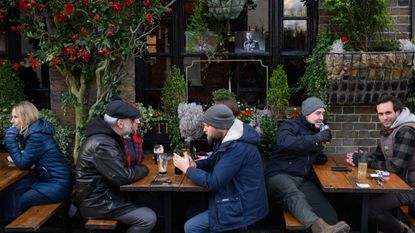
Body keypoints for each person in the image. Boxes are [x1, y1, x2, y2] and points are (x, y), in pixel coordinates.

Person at [173, 104, 269, 233]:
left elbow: (214, 182)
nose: (204, 129)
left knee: (191, 227)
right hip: (234, 197)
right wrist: (196, 165)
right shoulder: (228, 139)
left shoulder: (237, 148)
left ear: (219, 126)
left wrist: (188, 170)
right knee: (191, 211)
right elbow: (215, 161)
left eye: (207, 125)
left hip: (243, 207)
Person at [266, 97, 350, 233]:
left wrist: (320, 151)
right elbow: (285, 142)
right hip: (279, 175)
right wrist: (316, 139)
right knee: (295, 196)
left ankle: (330, 227)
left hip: (302, 179)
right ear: (306, 113)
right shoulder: (289, 126)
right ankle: (320, 229)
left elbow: (308, 153)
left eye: (323, 113)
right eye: (318, 113)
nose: (321, 117)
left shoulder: (315, 131)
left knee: (328, 213)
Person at [75, 98, 156, 233]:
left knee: (147, 202)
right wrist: (145, 168)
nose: (136, 123)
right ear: (120, 123)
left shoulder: (108, 137)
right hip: (98, 202)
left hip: (105, 196)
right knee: (148, 218)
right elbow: (122, 176)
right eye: (132, 120)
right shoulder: (102, 143)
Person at [345, 95, 415, 233]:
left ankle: (403, 231)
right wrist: (358, 157)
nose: (384, 117)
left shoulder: (407, 131)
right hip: (399, 184)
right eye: (381, 114)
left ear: (398, 112)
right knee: (360, 199)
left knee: (371, 209)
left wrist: (363, 161)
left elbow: (394, 166)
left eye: (388, 113)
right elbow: (378, 155)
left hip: (411, 188)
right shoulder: (391, 129)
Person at [0, 101, 72, 222]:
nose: (12, 121)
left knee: (19, 201)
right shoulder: (35, 130)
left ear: (26, 117)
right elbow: (28, 158)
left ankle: (10, 225)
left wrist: (10, 140)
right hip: (46, 179)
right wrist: (20, 136)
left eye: (15, 117)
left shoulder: (37, 136)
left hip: (57, 185)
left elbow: (23, 164)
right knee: (10, 190)